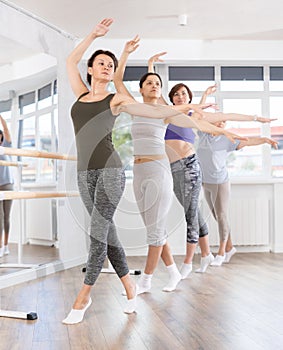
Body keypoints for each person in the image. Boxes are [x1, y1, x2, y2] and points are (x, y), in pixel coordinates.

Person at [62, 19, 240, 324]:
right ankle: (130, 287)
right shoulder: (80, 94)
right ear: (90, 69)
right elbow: (70, 60)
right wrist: (92, 34)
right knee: (108, 234)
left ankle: (83, 297)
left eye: (111, 64)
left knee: (96, 234)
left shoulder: (115, 99)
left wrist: (182, 110)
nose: (106, 66)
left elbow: (153, 111)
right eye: (101, 63)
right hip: (83, 173)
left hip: (111, 171)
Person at [114, 39, 247, 295]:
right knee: (153, 228)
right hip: (138, 171)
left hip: (160, 170)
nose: (154, 85)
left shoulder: (166, 111)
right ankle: (173, 271)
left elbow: (198, 125)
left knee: (155, 231)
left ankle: (146, 281)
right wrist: (126, 53)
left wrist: (224, 131)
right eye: (149, 82)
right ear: (141, 89)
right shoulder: (135, 107)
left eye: (158, 83)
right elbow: (118, 82)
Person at [148, 53, 275, 278]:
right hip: (173, 168)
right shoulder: (167, 112)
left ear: (189, 97)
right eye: (176, 94)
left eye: (183, 94)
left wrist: (256, 118)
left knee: (197, 213)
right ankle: (206, 254)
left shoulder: (196, 115)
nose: (179, 97)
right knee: (195, 211)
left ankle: (193, 258)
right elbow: (154, 91)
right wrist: (150, 65)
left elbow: (227, 115)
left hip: (191, 167)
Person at [197, 119, 278, 266]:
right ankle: (230, 248)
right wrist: (205, 97)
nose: (221, 123)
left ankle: (221, 252)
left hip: (220, 182)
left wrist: (265, 139)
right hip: (205, 181)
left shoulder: (227, 139)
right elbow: (196, 118)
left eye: (223, 122)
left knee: (221, 216)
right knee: (216, 216)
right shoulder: (203, 135)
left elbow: (248, 141)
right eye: (218, 120)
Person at [0, 115, 14, 258]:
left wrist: (1, 117)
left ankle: (6, 245)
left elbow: (6, 130)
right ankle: (0, 247)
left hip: (8, 184)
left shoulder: (6, 147)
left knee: (6, 217)